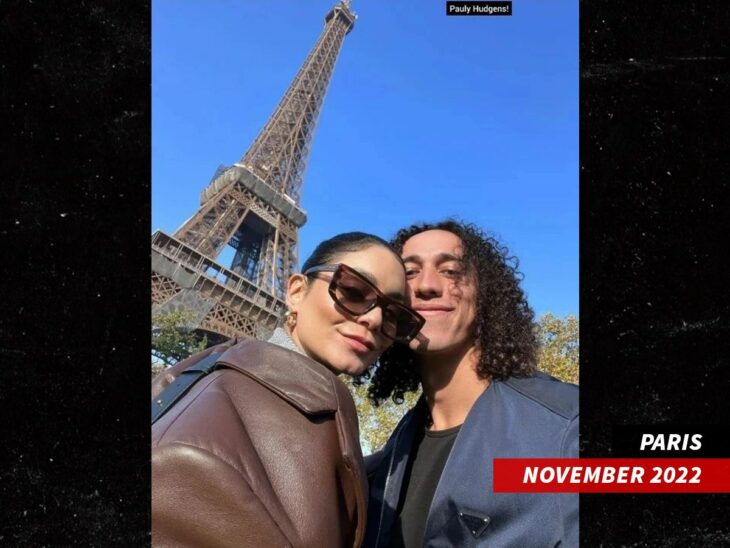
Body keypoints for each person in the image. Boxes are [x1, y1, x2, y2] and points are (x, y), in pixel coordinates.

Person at [151, 232, 425, 548]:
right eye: (353, 290)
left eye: (394, 315)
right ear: (296, 291)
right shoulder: (251, 405)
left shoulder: (211, 371)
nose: (375, 319)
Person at [363, 220, 578, 548]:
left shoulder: (565, 428)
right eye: (409, 273)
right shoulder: (389, 460)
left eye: (450, 270)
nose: (427, 285)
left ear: (485, 294)